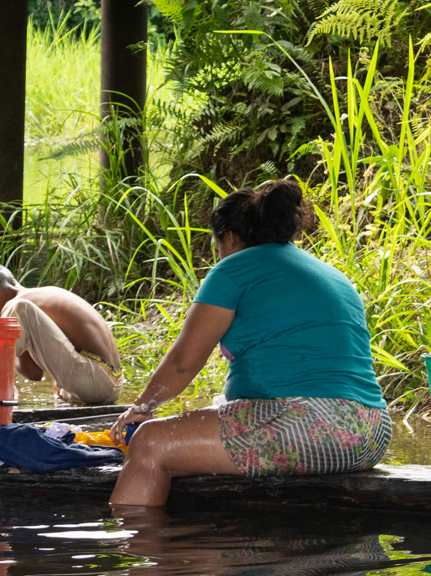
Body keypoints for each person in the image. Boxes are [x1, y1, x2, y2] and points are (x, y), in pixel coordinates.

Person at [109, 179, 390, 507]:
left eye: (217, 245)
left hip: (312, 426)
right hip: (372, 433)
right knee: (217, 413)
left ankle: (133, 551)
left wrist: (141, 408)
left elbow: (183, 363)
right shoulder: (330, 274)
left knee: (150, 443)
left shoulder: (234, 269)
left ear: (228, 237)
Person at [0, 263, 122, 406]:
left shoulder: (19, 305)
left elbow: (23, 370)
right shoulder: (44, 295)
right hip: (107, 382)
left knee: (20, 308)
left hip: (93, 380)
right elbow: (33, 373)